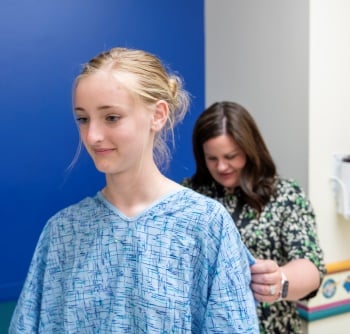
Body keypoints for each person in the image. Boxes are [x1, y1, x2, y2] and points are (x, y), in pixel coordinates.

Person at [9, 49, 259, 333]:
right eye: (83, 119)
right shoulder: (63, 232)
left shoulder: (205, 224)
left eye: (111, 117)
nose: (93, 136)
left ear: (158, 115)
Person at [182, 101, 326, 334]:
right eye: (212, 158)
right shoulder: (189, 196)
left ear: (250, 150)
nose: (222, 166)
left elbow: (311, 266)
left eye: (231, 156)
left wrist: (280, 280)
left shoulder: (286, 195)